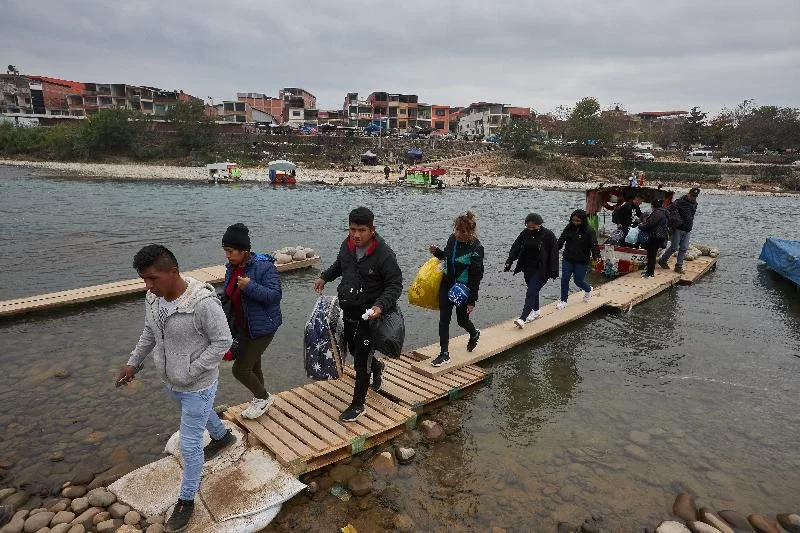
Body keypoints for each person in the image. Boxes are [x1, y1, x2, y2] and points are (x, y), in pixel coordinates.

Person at [118, 245, 233, 533]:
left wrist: (192, 371)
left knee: (190, 444)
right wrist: (133, 363)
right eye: (144, 279)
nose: (148, 285)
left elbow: (223, 341)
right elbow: (149, 332)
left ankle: (186, 501)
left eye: (153, 279)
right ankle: (222, 437)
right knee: (196, 415)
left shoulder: (203, 303)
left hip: (197, 385)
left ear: (173, 272)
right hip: (171, 381)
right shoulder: (152, 300)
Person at [314, 207, 402, 422]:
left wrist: (380, 306)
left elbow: (395, 285)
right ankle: (378, 367)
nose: (356, 235)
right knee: (354, 350)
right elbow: (340, 265)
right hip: (349, 310)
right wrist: (325, 276)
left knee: (361, 360)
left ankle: (358, 405)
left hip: (371, 314)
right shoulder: (347, 245)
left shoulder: (384, 254)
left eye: (361, 230)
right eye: (352, 229)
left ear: (372, 230)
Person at [221, 223, 282, 420]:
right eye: (225, 251)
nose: (227, 255)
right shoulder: (232, 268)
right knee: (254, 367)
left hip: (263, 327)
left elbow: (275, 295)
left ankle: (263, 398)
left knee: (240, 370)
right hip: (242, 327)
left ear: (244, 251)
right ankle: (260, 400)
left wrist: (251, 287)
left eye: (230, 251)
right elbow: (229, 294)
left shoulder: (264, 267)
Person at [428, 211, 485, 366]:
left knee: (461, 321)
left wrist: (472, 300)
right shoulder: (452, 239)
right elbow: (446, 257)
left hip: (463, 289)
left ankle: (474, 333)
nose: (458, 234)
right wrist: (437, 252)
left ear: (471, 232)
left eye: (463, 232)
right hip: (447, 284)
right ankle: (444, 353)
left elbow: (476, 276)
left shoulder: (477, 248)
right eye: (456, 230)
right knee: (443, 320)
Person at [504, 213, 559, 328]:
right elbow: (516, 247)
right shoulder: (525, 234)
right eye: (528, 227)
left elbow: (554, 254)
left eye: (533, 227)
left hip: (543, 269)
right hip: (528, 268)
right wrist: (510, 261)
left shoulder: (548, 235)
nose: (530, 229)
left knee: (530, 292)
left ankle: (522, 318)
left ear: (539, 225)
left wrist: (554, 271)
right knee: (533, 290)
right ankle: (536, 311)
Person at [556, 209, 601, 310]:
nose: (575, 223)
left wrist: (596, 256)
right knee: (565, 278)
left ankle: (588, 289)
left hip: (582, 260)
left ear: (583, 221)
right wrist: (553, 250)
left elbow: (594, 245)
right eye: (573, 220)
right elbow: (560, 241)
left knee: (578, 281)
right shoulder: (568, 228)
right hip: (568, 258)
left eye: (578, 221)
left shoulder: (589, 231)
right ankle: (563, 301)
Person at [658, 187, 700, 274]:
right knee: (674, 247)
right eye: (692, 196)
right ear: (688, 194)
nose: (693, 198)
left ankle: (678, 266)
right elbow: (667, 210)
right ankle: (663, 260)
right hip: (678, 228)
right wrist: (673, 220)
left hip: (688, 229)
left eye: (695, 197)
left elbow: (692, 216)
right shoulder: (679, 202)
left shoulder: (695, 204)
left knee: (684, 248)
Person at [637, 199, 669, 278]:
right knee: (652, 254)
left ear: (653, 205)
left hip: (656, 237)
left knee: (651, 255)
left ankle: (650, 273)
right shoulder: (664, 211)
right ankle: (649, 270)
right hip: (661, 236)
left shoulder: (657, 213)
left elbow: (649, 224)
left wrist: (640, 226)